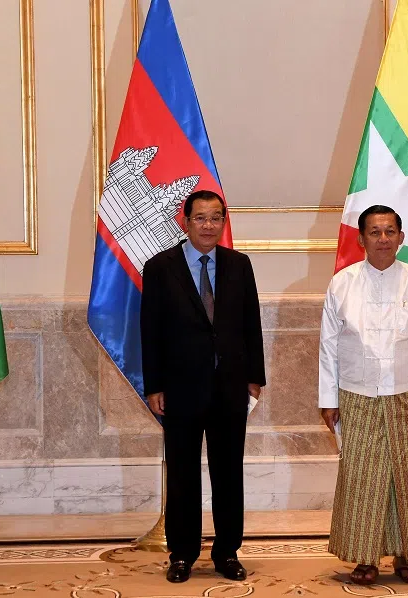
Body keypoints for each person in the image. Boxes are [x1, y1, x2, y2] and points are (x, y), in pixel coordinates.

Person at [140, 190, 266, 584]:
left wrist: (254, 378)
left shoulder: (239, 265)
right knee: (182, 472)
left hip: (230, 387)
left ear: (223, 222)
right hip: (179, 388)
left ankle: (227, 552)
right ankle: (182, 554)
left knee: (228, 472)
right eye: (200, 218)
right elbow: (151, 329)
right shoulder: (160, 267)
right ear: (185, 221)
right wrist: (155, 384)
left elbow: (251, 324)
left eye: (216, 218)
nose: (208, 225)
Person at [318, 205, 408, 585]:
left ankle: (406, 557)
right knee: (361, 476)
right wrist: (329, 398)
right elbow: (329, 346)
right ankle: (364, 558)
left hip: (405, 392)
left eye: (390, 231)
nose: (383, 239)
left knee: (404, 475)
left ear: (401, 237)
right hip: (356, 392)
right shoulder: (342, 283)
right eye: (375, 232)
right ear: (361, 239)